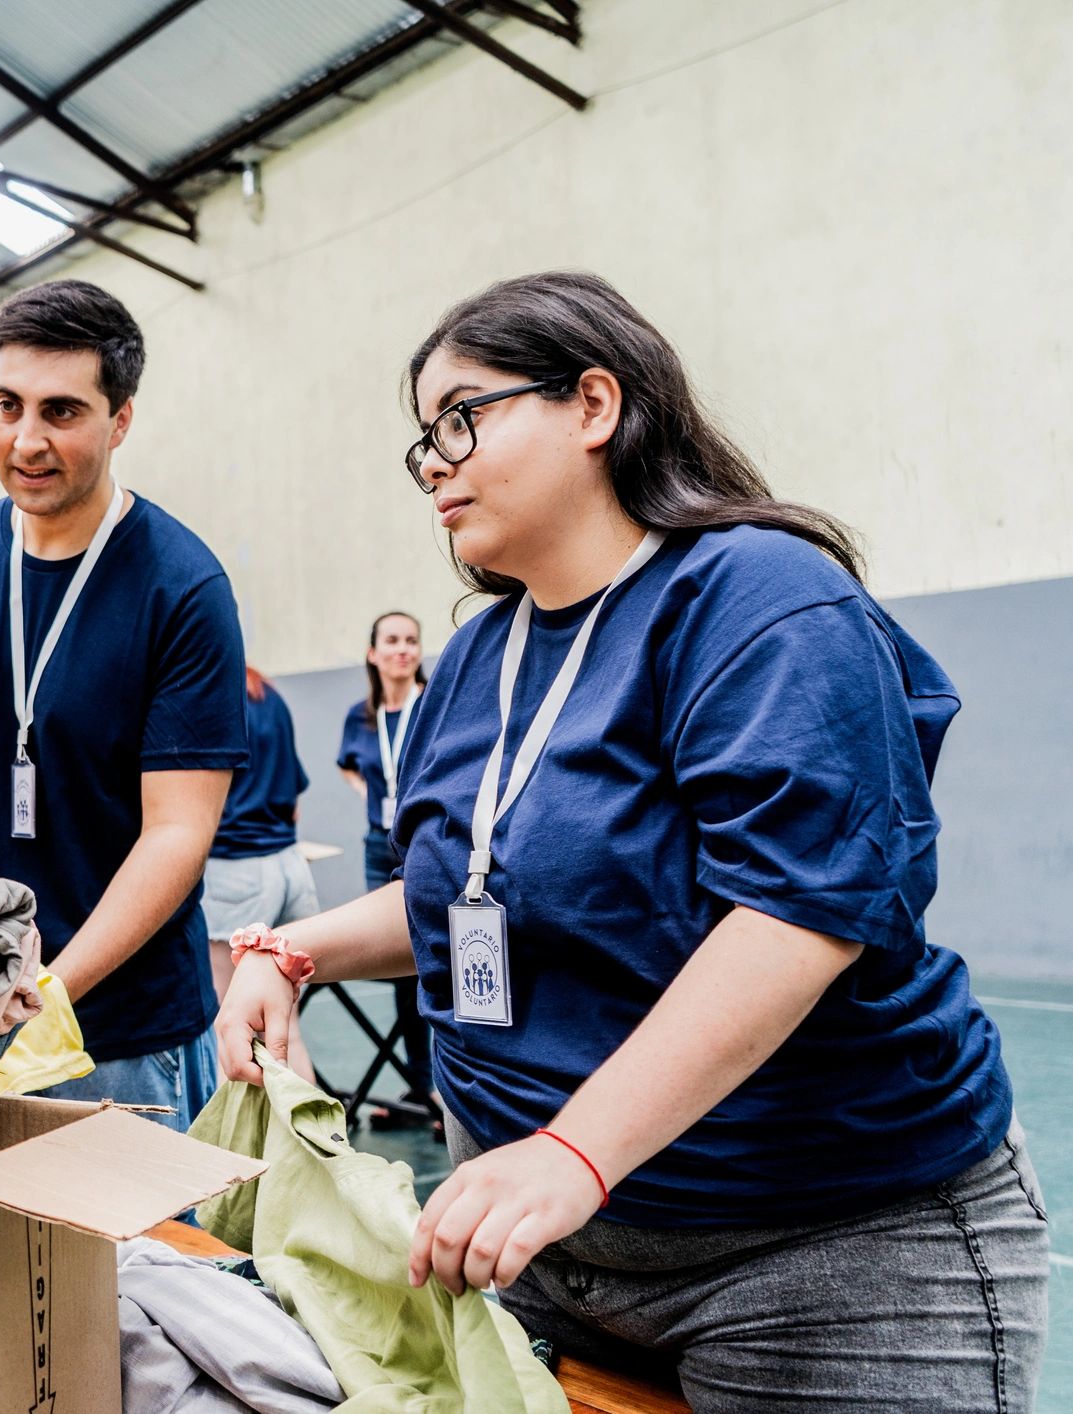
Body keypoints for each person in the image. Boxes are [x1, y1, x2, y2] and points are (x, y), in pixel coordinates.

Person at [216, 271, 1046, 1409]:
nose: (436, 461)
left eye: (463, 415)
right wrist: (291, 952)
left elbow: (797, 914)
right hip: (542, 1255)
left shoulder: (760, 598)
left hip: (817, 1258)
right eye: (422, 440)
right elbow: (450, 898)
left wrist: (575, 1149)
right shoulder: (472, 660)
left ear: (595, 404)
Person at [0, 278, 248, 1130]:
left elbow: (177, 831)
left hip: (119, 1029)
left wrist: (48, 991)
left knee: (139, 1265)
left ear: (119, 421)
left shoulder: (181, 585)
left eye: (61, 412)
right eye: (7, 406)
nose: (25, 442)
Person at [335, 611, 435, 1127]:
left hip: (427, 844)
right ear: (373, 653)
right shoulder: (362, 716)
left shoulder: (435, 701)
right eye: (392, 641)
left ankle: (442, 1078)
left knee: (433, 957)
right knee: (400, 966)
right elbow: (348, 764)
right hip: (381, 845)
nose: (403, 649)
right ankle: (422, 1083)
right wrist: (376, 800)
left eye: (412, 641)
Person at [201, 666, 317, 1078]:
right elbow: (296, 795)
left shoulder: (209, 697)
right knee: (287, 1029)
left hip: (236, 874)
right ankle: (310, 1140)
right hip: (290, 867)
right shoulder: (272, 696)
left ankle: (235, 1145)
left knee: (227, 1019)